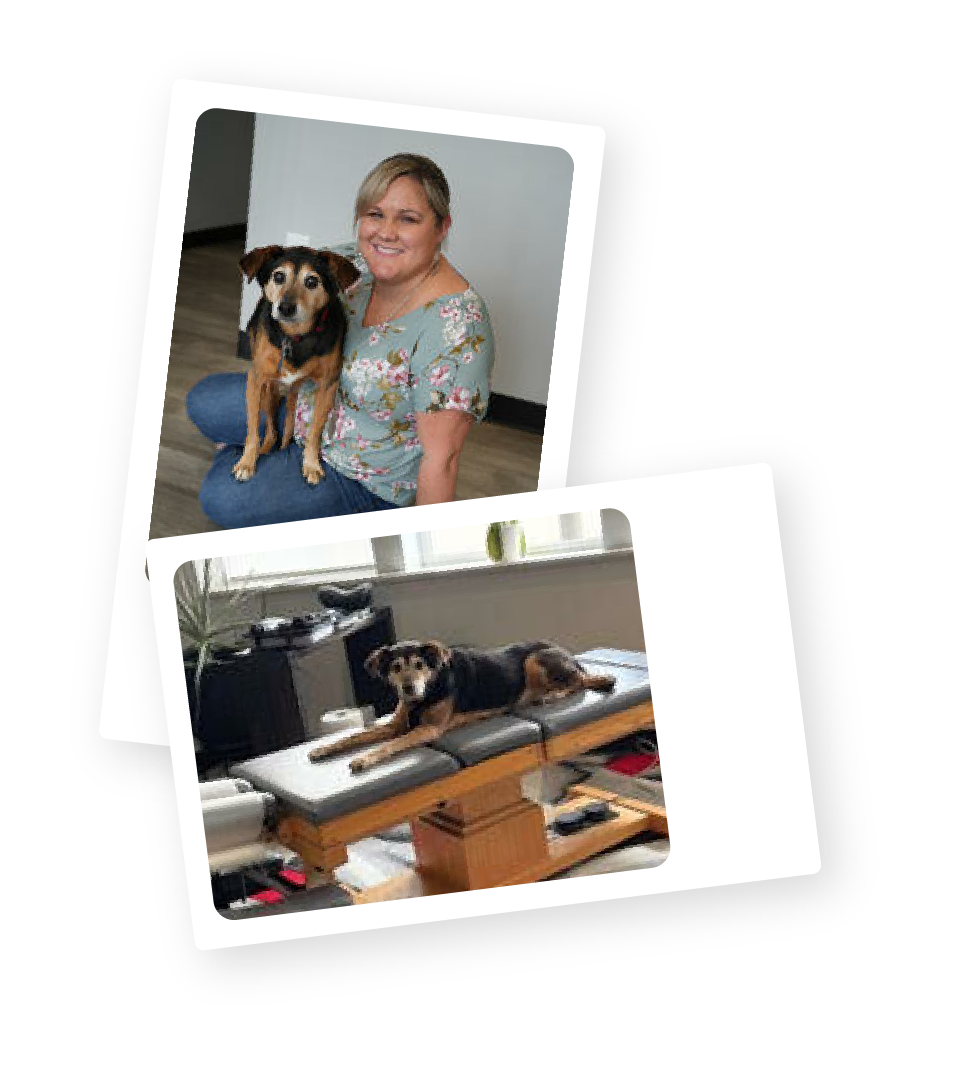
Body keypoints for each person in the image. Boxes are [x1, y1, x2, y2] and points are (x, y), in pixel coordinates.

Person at [186, 153, 495, 528]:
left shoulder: (458, 329)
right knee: (202, 399)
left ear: (442, 227)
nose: (386, 232)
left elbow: (442, 460)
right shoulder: (356, 265)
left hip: (360, 475)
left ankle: (259, 463)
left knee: (221, 498)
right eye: (375, 214)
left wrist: (423, 547)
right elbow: (288, 283)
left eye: (408, 219)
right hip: (306, 406)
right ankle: (262, 452)